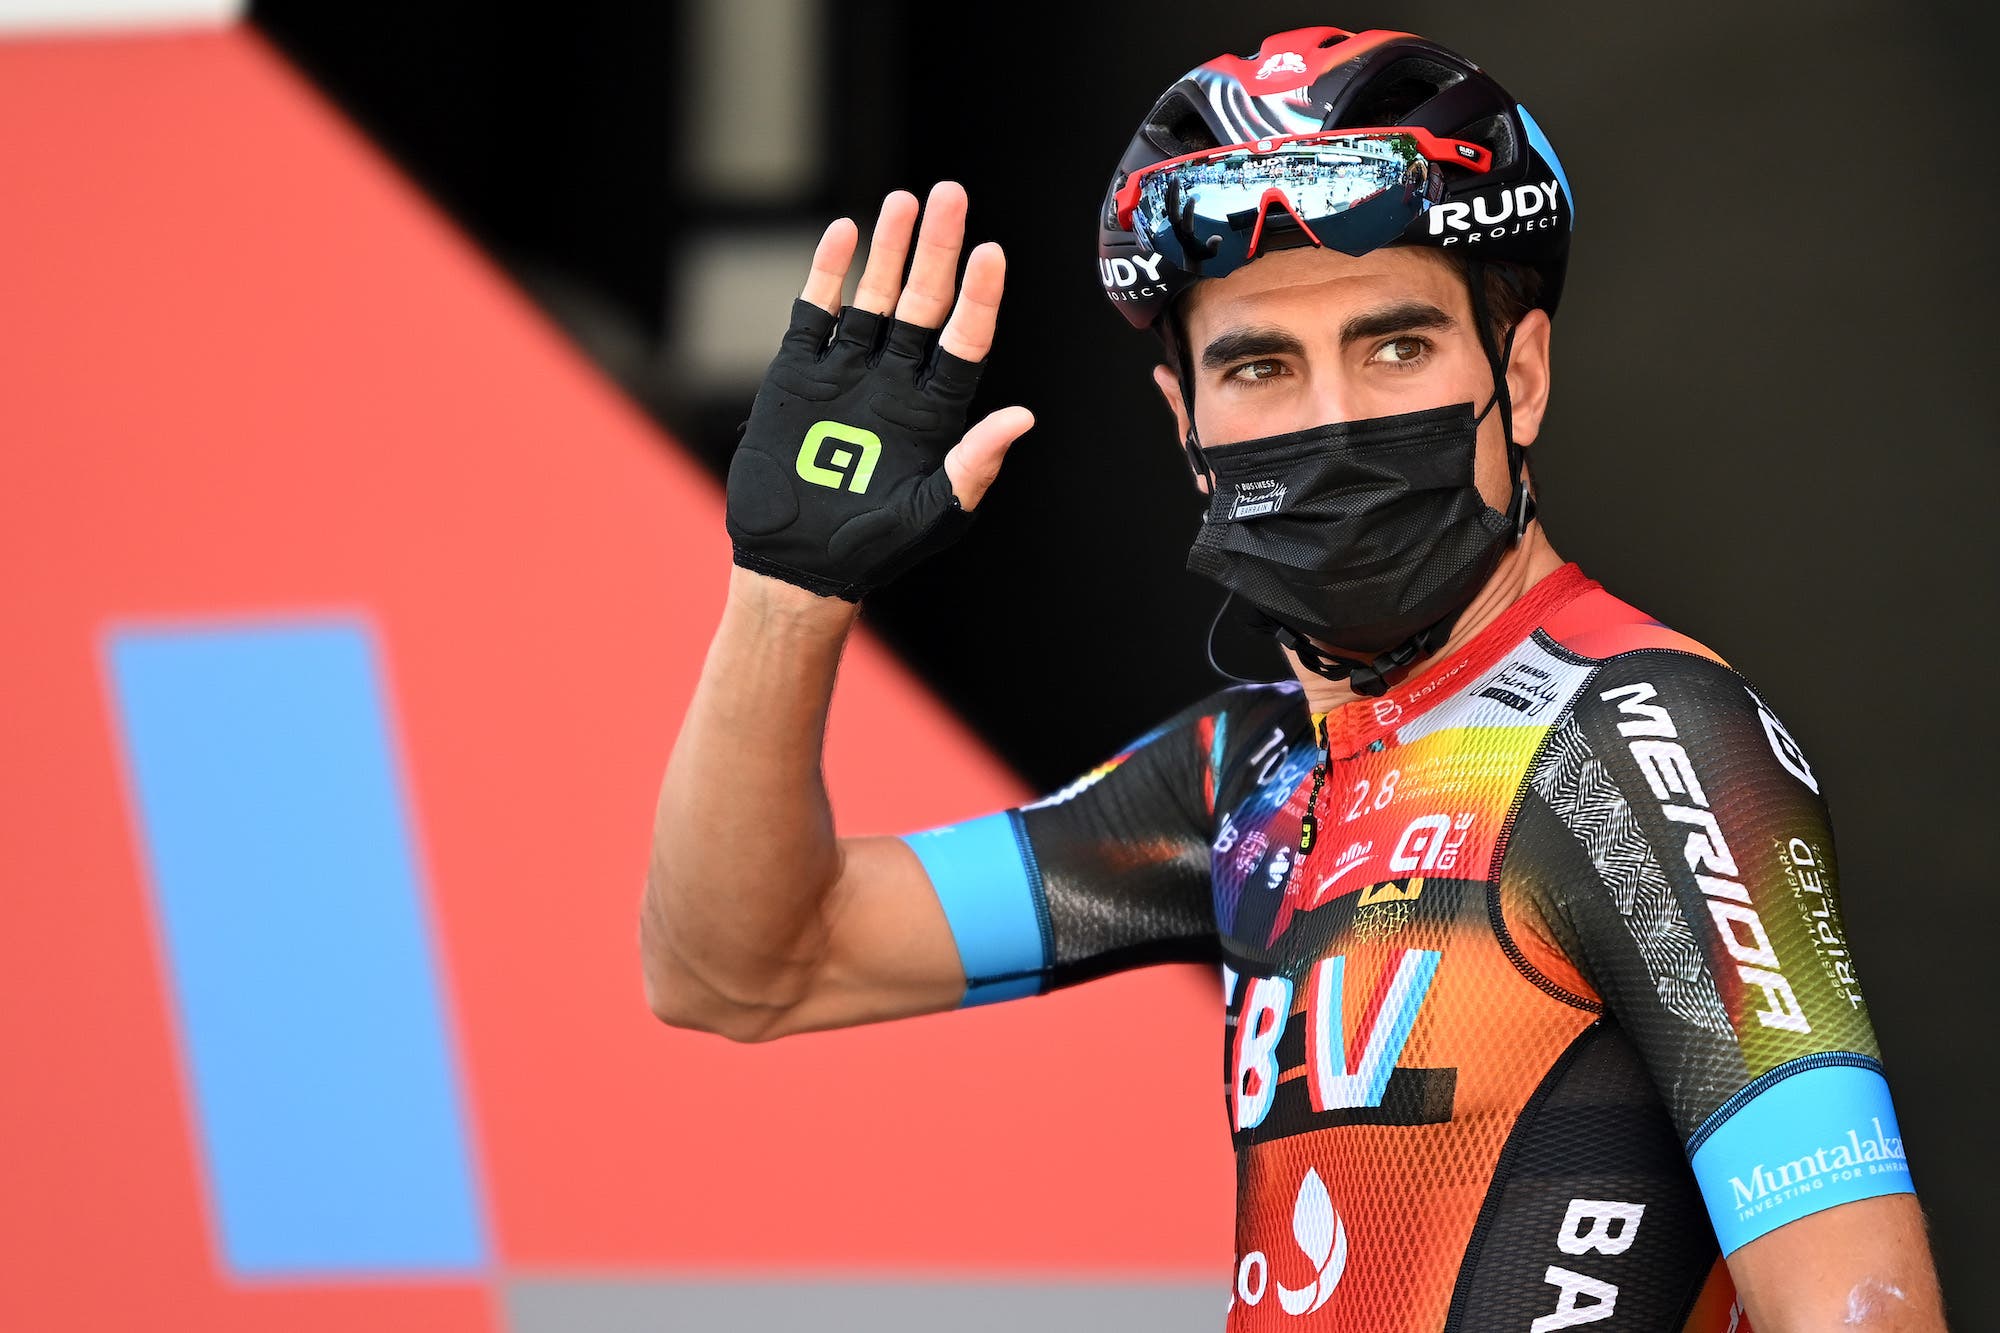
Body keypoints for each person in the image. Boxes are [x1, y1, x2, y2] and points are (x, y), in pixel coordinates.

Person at [643, 23, 1946, 1331]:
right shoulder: (1240, 779)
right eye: (1260, 366)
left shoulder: (1641, 734)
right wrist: (788, 592)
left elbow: (1864, 1305)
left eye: (1395, 347)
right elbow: (745, 963)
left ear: (1523, 375)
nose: (1333, 414)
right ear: (1186, 425)